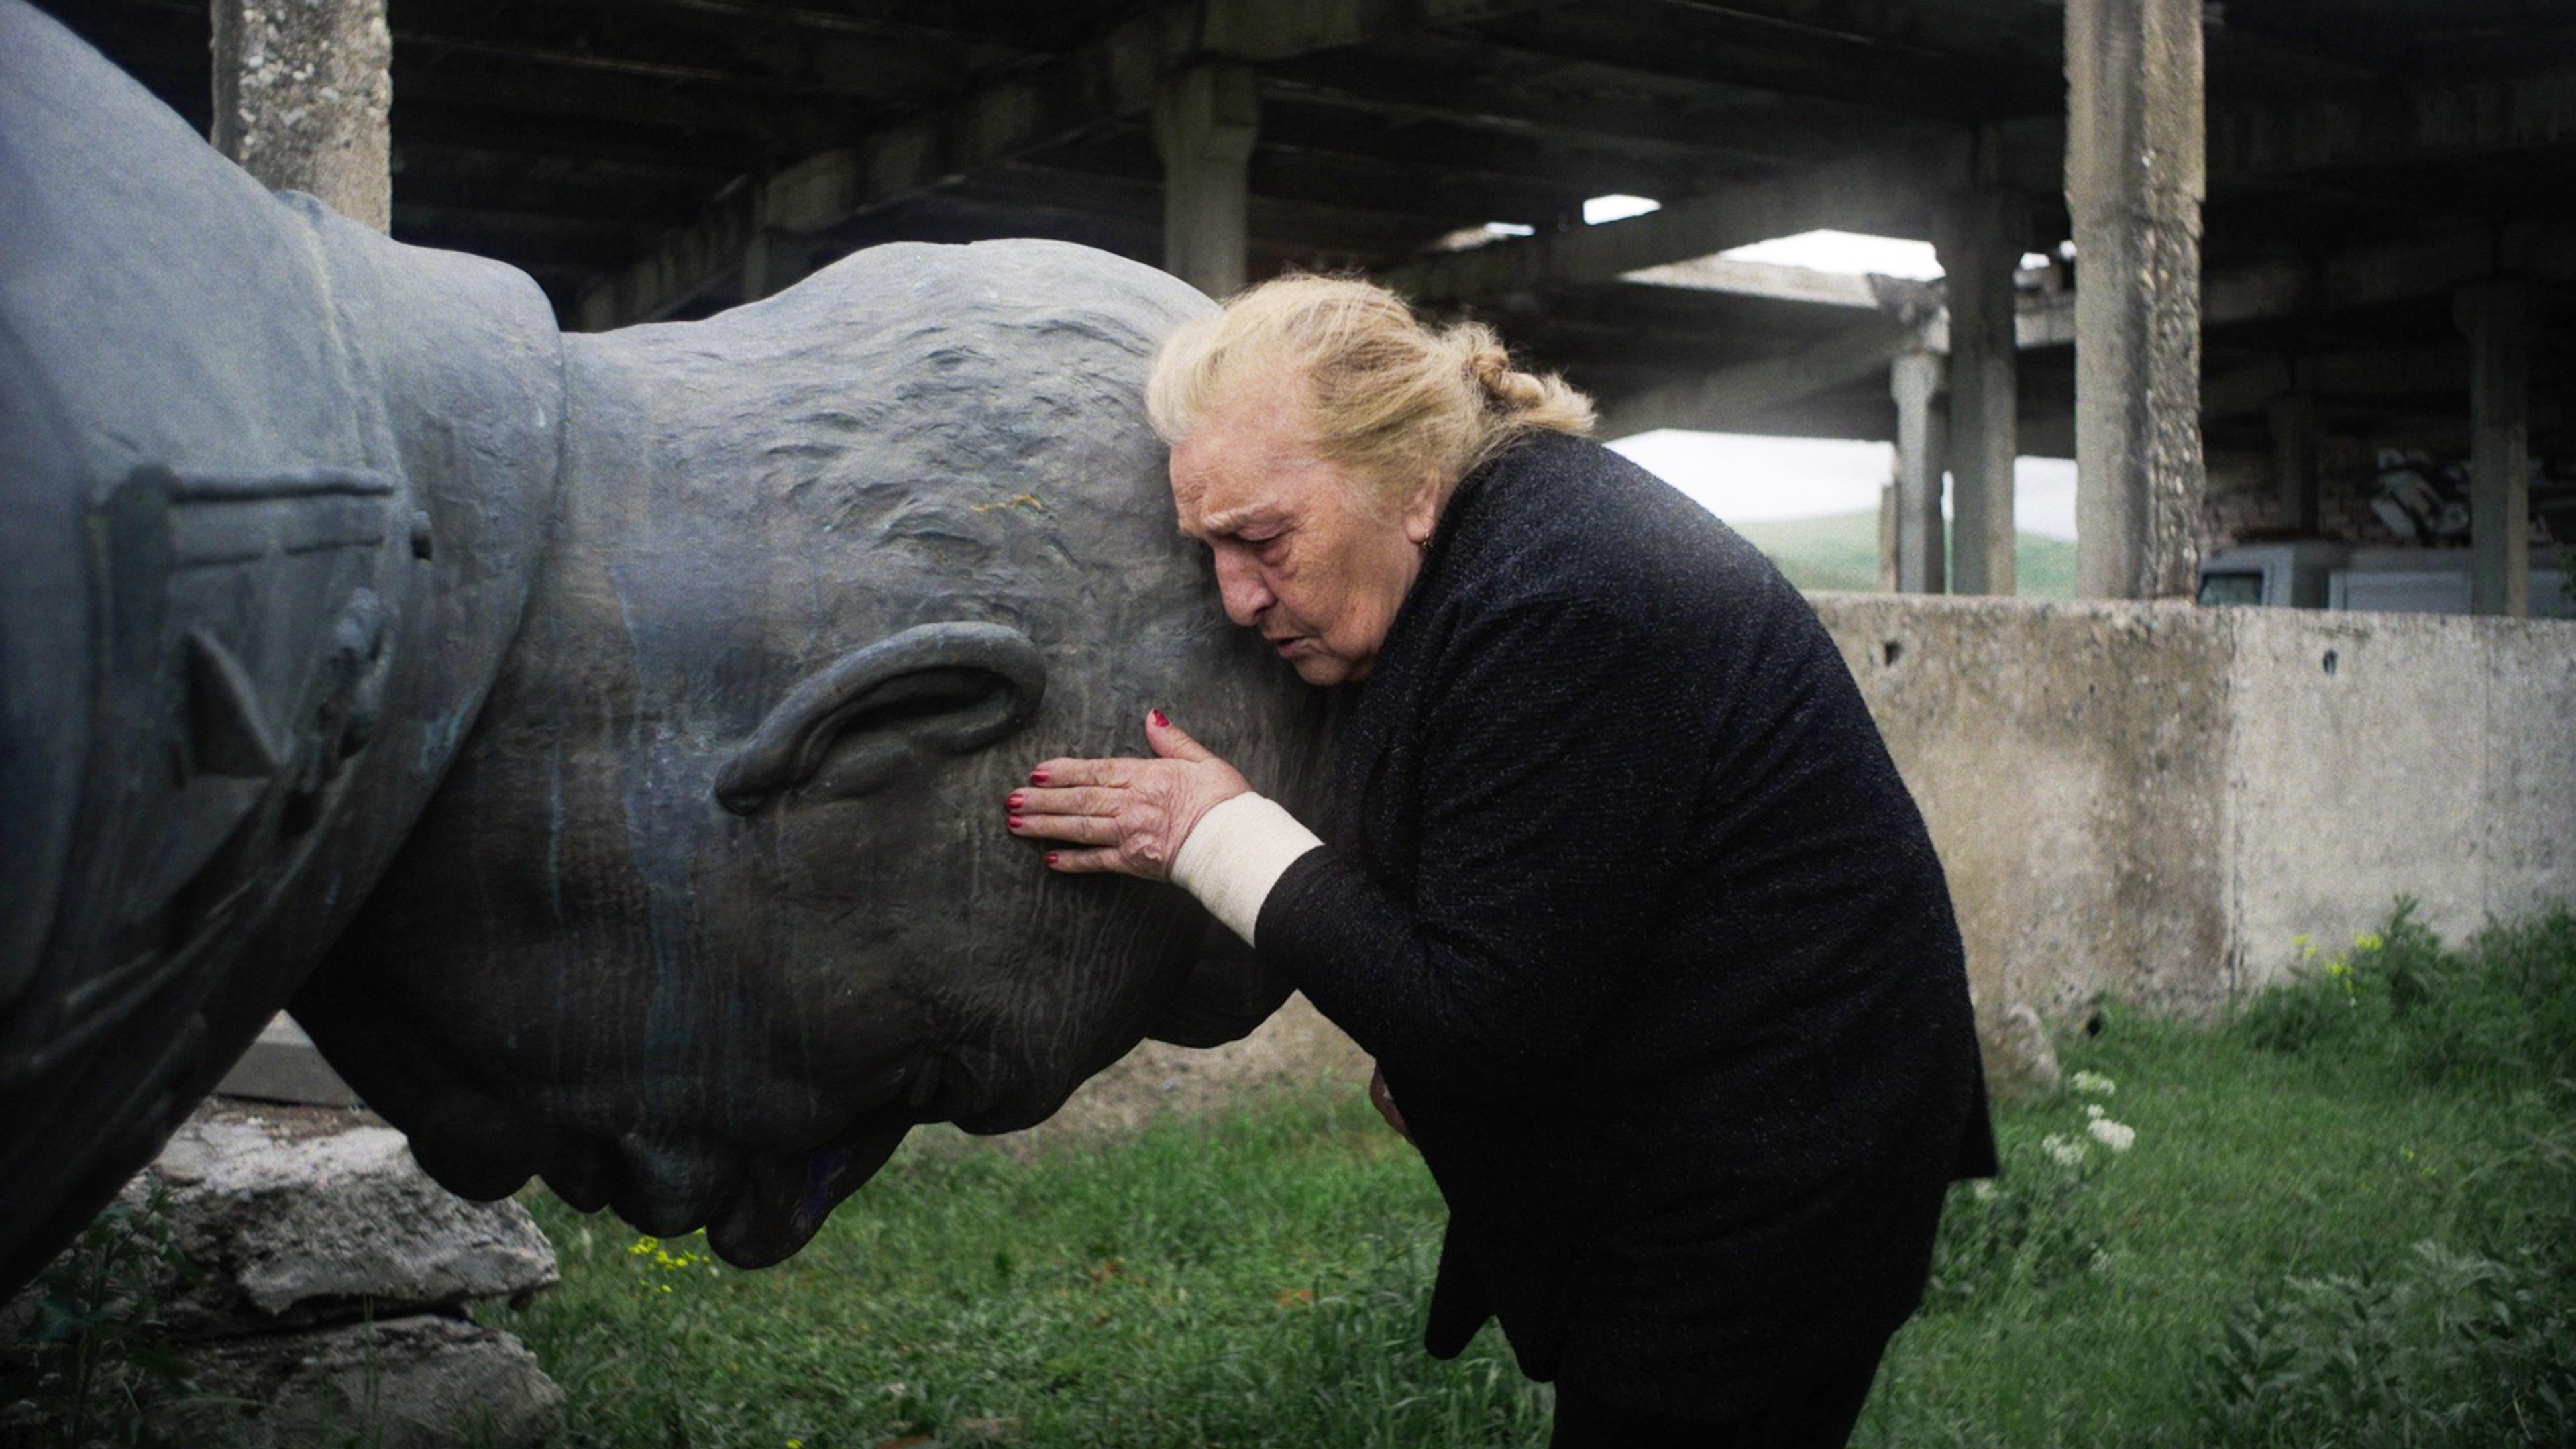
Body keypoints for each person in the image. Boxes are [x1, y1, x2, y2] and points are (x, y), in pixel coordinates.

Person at [1005, 275, 1996, 1447]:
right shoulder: (1505, 546)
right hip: (1721, 1132)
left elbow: (1484, 1017)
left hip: (1774, 1175)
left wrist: (1212, 833)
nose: (1235, 595)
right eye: (1208, 549)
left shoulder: (1558, 599)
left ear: (1414, 482)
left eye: (1264, 539)